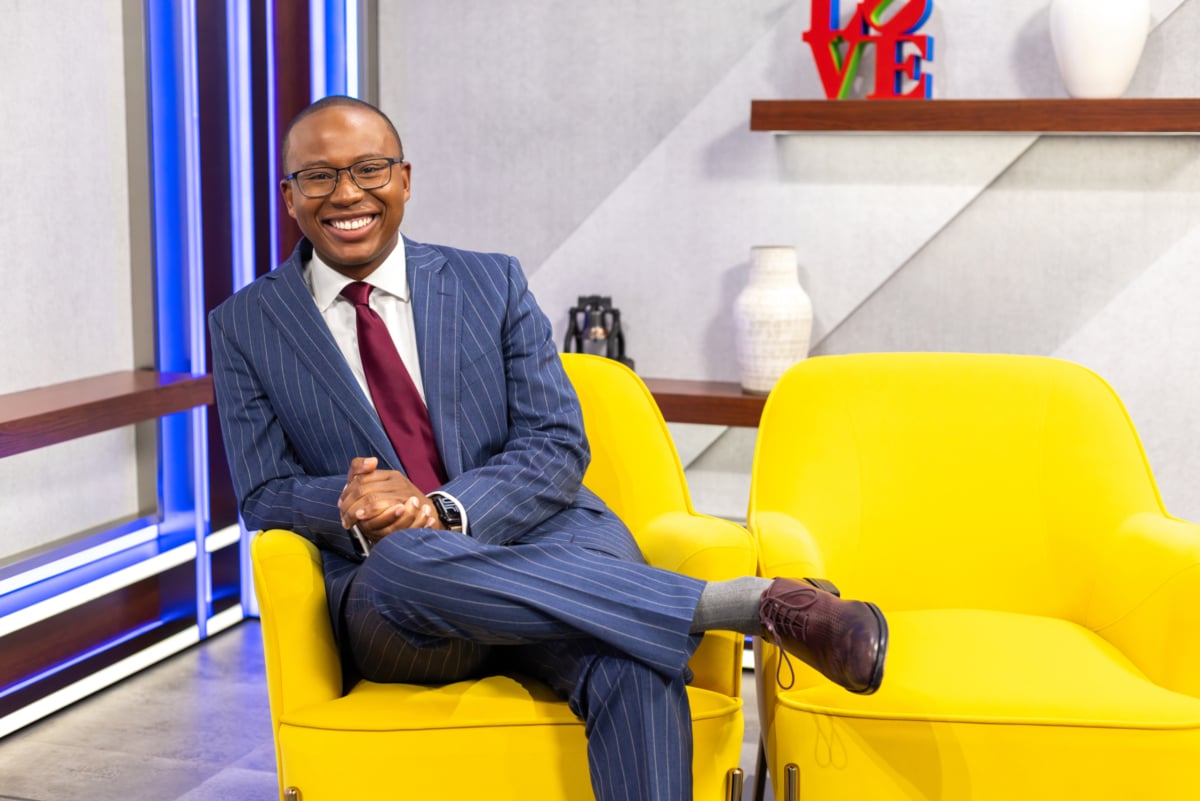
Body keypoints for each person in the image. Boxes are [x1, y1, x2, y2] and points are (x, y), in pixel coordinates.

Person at [209, 95, 887, 801]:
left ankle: (696, 611)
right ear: (289, 197)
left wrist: (444, 510)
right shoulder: (245, 325)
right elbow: (262, 492)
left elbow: (556, 440)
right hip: (404, 605)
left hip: (542, 543)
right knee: (407, 557)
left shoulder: (490, 282)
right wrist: (349, 501)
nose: (347, 193)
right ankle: (745, 606)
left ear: (404, 180)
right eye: (318, 176)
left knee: (634, 660)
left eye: (369, 169)